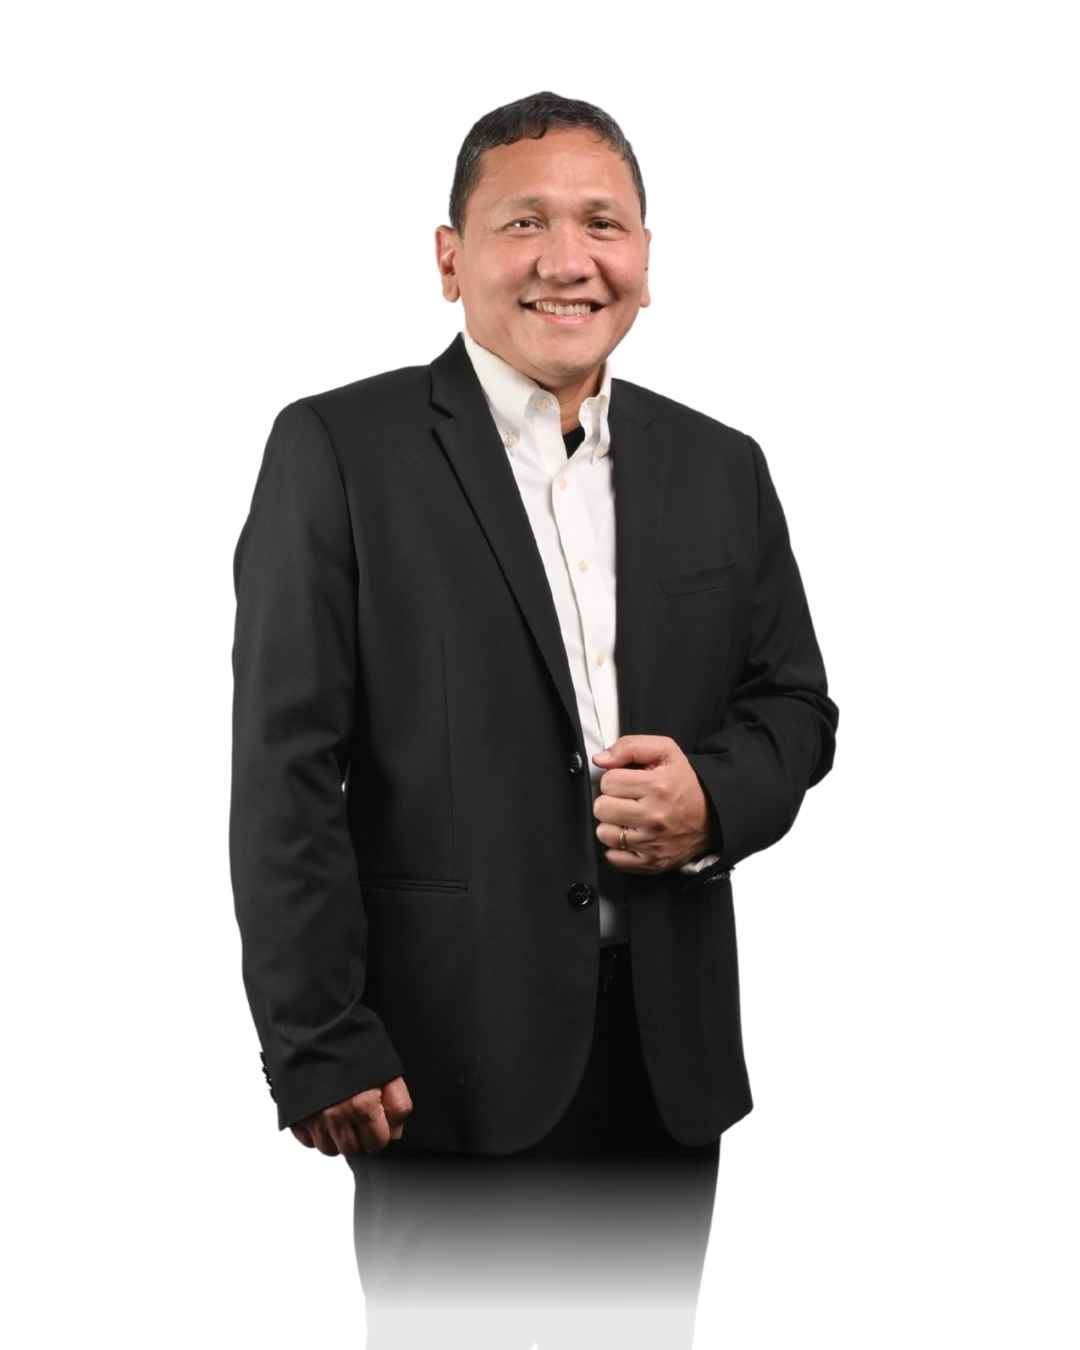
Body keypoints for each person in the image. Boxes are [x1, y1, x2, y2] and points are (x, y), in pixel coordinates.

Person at [229, 90, 838, 1349]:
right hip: (442, 1062)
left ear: (647, 260)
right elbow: (286, 770)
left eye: (603, 224)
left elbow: (795, 706)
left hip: (666, 1058)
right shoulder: (339, 450)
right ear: (450, 258)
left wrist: (715, 798)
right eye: (525, 223)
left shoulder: (722, 466)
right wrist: (318, 1038)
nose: (569, 258)